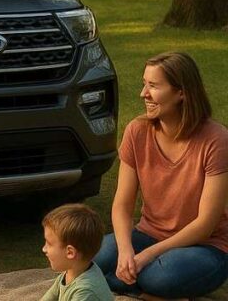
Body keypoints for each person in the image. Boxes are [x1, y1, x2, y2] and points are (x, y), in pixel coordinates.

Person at [95, 52, 228, 300]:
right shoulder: (137, 131)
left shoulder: (216, 140)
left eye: (153, 86)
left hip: (204, 246)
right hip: (148, 234)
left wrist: (145, 257)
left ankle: (152, 285)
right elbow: (122, 206)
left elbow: (205, 224)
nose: (143, 93)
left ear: (182, 93)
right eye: (144, 83)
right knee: (92, 258)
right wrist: (126, 251)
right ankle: (154, 290)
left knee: (158, 277)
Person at [40, 203, 114, 301]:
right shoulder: (72, 271)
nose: (44, 249)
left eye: (49, 244)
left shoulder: (86, 292)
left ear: (70, 252)